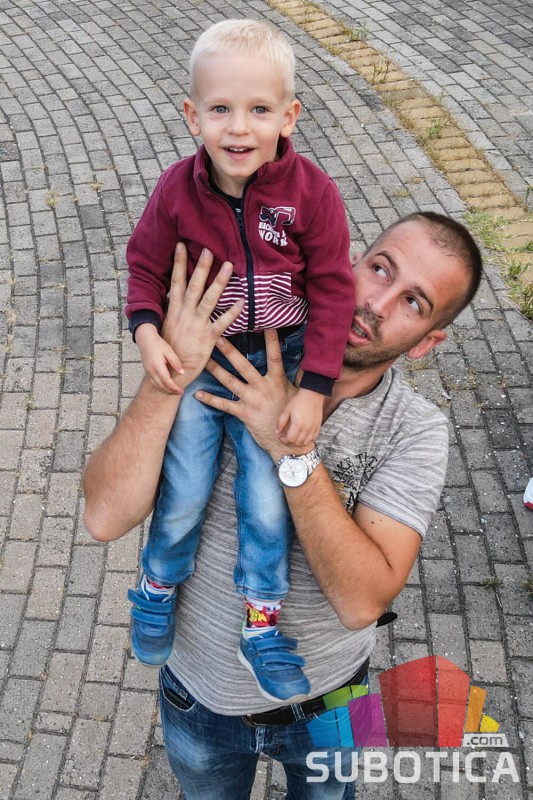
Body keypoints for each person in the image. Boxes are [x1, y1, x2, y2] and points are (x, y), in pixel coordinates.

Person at [83, 211, 482, 800]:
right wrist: (170, 377)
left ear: (427, 343)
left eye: (413, 302)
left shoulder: (414, 431)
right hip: (198, 697)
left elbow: (362, 601)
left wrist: (290, 450)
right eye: (380, 269)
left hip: (331, 703)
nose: (376, 303)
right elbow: (103, 517)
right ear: (347, 263)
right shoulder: (225, 357)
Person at [124, 18, 354, 699]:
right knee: (186, 484)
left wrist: (313, 388)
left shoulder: (312, 193)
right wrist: (147, 333)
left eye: (259, 109)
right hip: (202, 360)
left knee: (265, 495)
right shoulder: (176, 189)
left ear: (289, 116)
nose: (239, 128)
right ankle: (156, 585)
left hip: (278, 362)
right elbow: (144, 267)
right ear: (192, 115)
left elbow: (333, 289)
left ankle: (261, 621)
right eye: (220, 108)